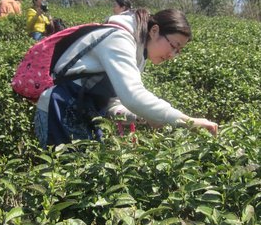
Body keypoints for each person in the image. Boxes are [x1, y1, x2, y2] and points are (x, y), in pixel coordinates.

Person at [34, 8, 218, 149]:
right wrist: (188, 121)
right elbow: (133, 96)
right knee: (65, 185)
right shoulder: (119, 39)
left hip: (86, 113)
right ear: (154, 31)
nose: (172, 55)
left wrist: (141, 116)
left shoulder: (138, 53)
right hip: (59, 109)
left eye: (178, 51)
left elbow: (113, 103)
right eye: (174, 46)